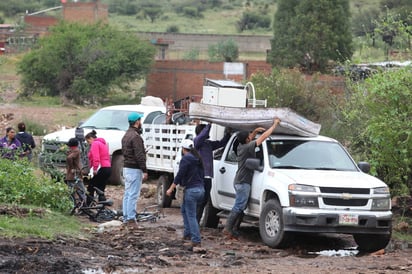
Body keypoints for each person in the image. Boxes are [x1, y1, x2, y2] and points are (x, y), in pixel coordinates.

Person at [223, 118, 281, 239]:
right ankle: (228, 229)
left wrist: (254, 132)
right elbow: (263, 137)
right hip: (243, 182)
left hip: (239, 180)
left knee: (241, 206)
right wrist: (274, 125)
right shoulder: (247, 147)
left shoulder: (240, 146)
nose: (251, 137)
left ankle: (234, 230)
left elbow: (251, 138)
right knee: (239, 206)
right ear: (247, 140)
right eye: (249, 136)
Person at [166, 139, 205, 249]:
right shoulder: (198, 158)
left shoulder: (186, 159)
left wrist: (170, 189)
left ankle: (196, 240)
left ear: (183, 149)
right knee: (184, 210)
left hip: (191, 191)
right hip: (201, 190)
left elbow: (180, 175)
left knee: (191, 215)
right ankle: (187, 234)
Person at [194, 122, 231, 224]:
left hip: (208, 177)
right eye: (205, 130)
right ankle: (194, 223)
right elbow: (202, 136)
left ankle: (196, 222)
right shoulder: (197, 142)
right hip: (200, 177)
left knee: (204, 201)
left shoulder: (208, 144)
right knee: (199, 201)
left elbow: (221, 143)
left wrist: (228, 134)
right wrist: (209, 124)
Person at [121, 112, 148, 226]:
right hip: (134, 169)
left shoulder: (126, 135)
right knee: (133, 194)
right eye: (140, 120)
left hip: (126, 167)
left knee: (127, 194)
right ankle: (131, 219)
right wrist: (145, 170)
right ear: (137, 122)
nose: (140, 123)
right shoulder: (136, 137)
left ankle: (126, 217)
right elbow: (139, 155)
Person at [85, 130, 111, 202]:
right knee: (100, 189)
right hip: (107, 168)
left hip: (101, 168)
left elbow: (96, 157)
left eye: (88, 141)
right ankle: (102, 207)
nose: (88, 143)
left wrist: (95, 169)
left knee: (91, 187)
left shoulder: (95, 144)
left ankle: (88, 206)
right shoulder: (103, 144)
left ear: (91, 138)